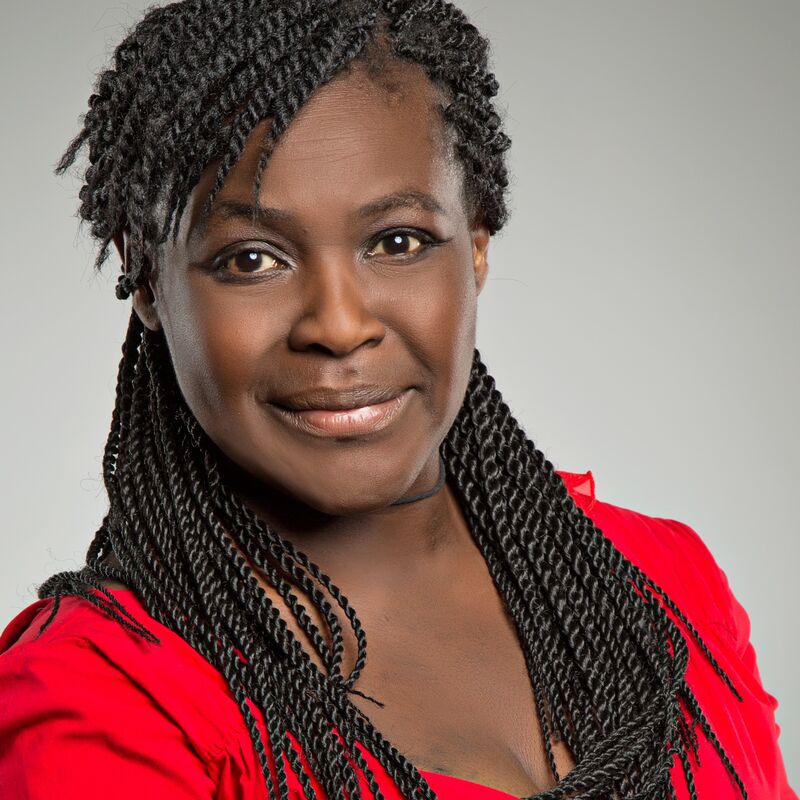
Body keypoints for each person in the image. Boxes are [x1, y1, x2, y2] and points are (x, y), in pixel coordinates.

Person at [0, 1, 794, 798]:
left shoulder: (665, 586)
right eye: (251, 259)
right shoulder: (103, 701)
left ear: (476, 245)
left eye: (398, 242)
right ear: (143, 277)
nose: (339, 326)